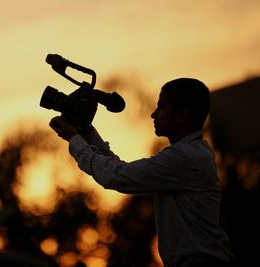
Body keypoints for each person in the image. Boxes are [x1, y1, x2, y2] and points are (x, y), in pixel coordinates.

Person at [49, 78, 235, 267]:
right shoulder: (191, 154)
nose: (154, 114)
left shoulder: (184, 157)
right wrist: (87, 133)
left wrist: (75, 140)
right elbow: (121, 171)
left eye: (162, 107)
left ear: (181, 115)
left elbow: (117, 176)